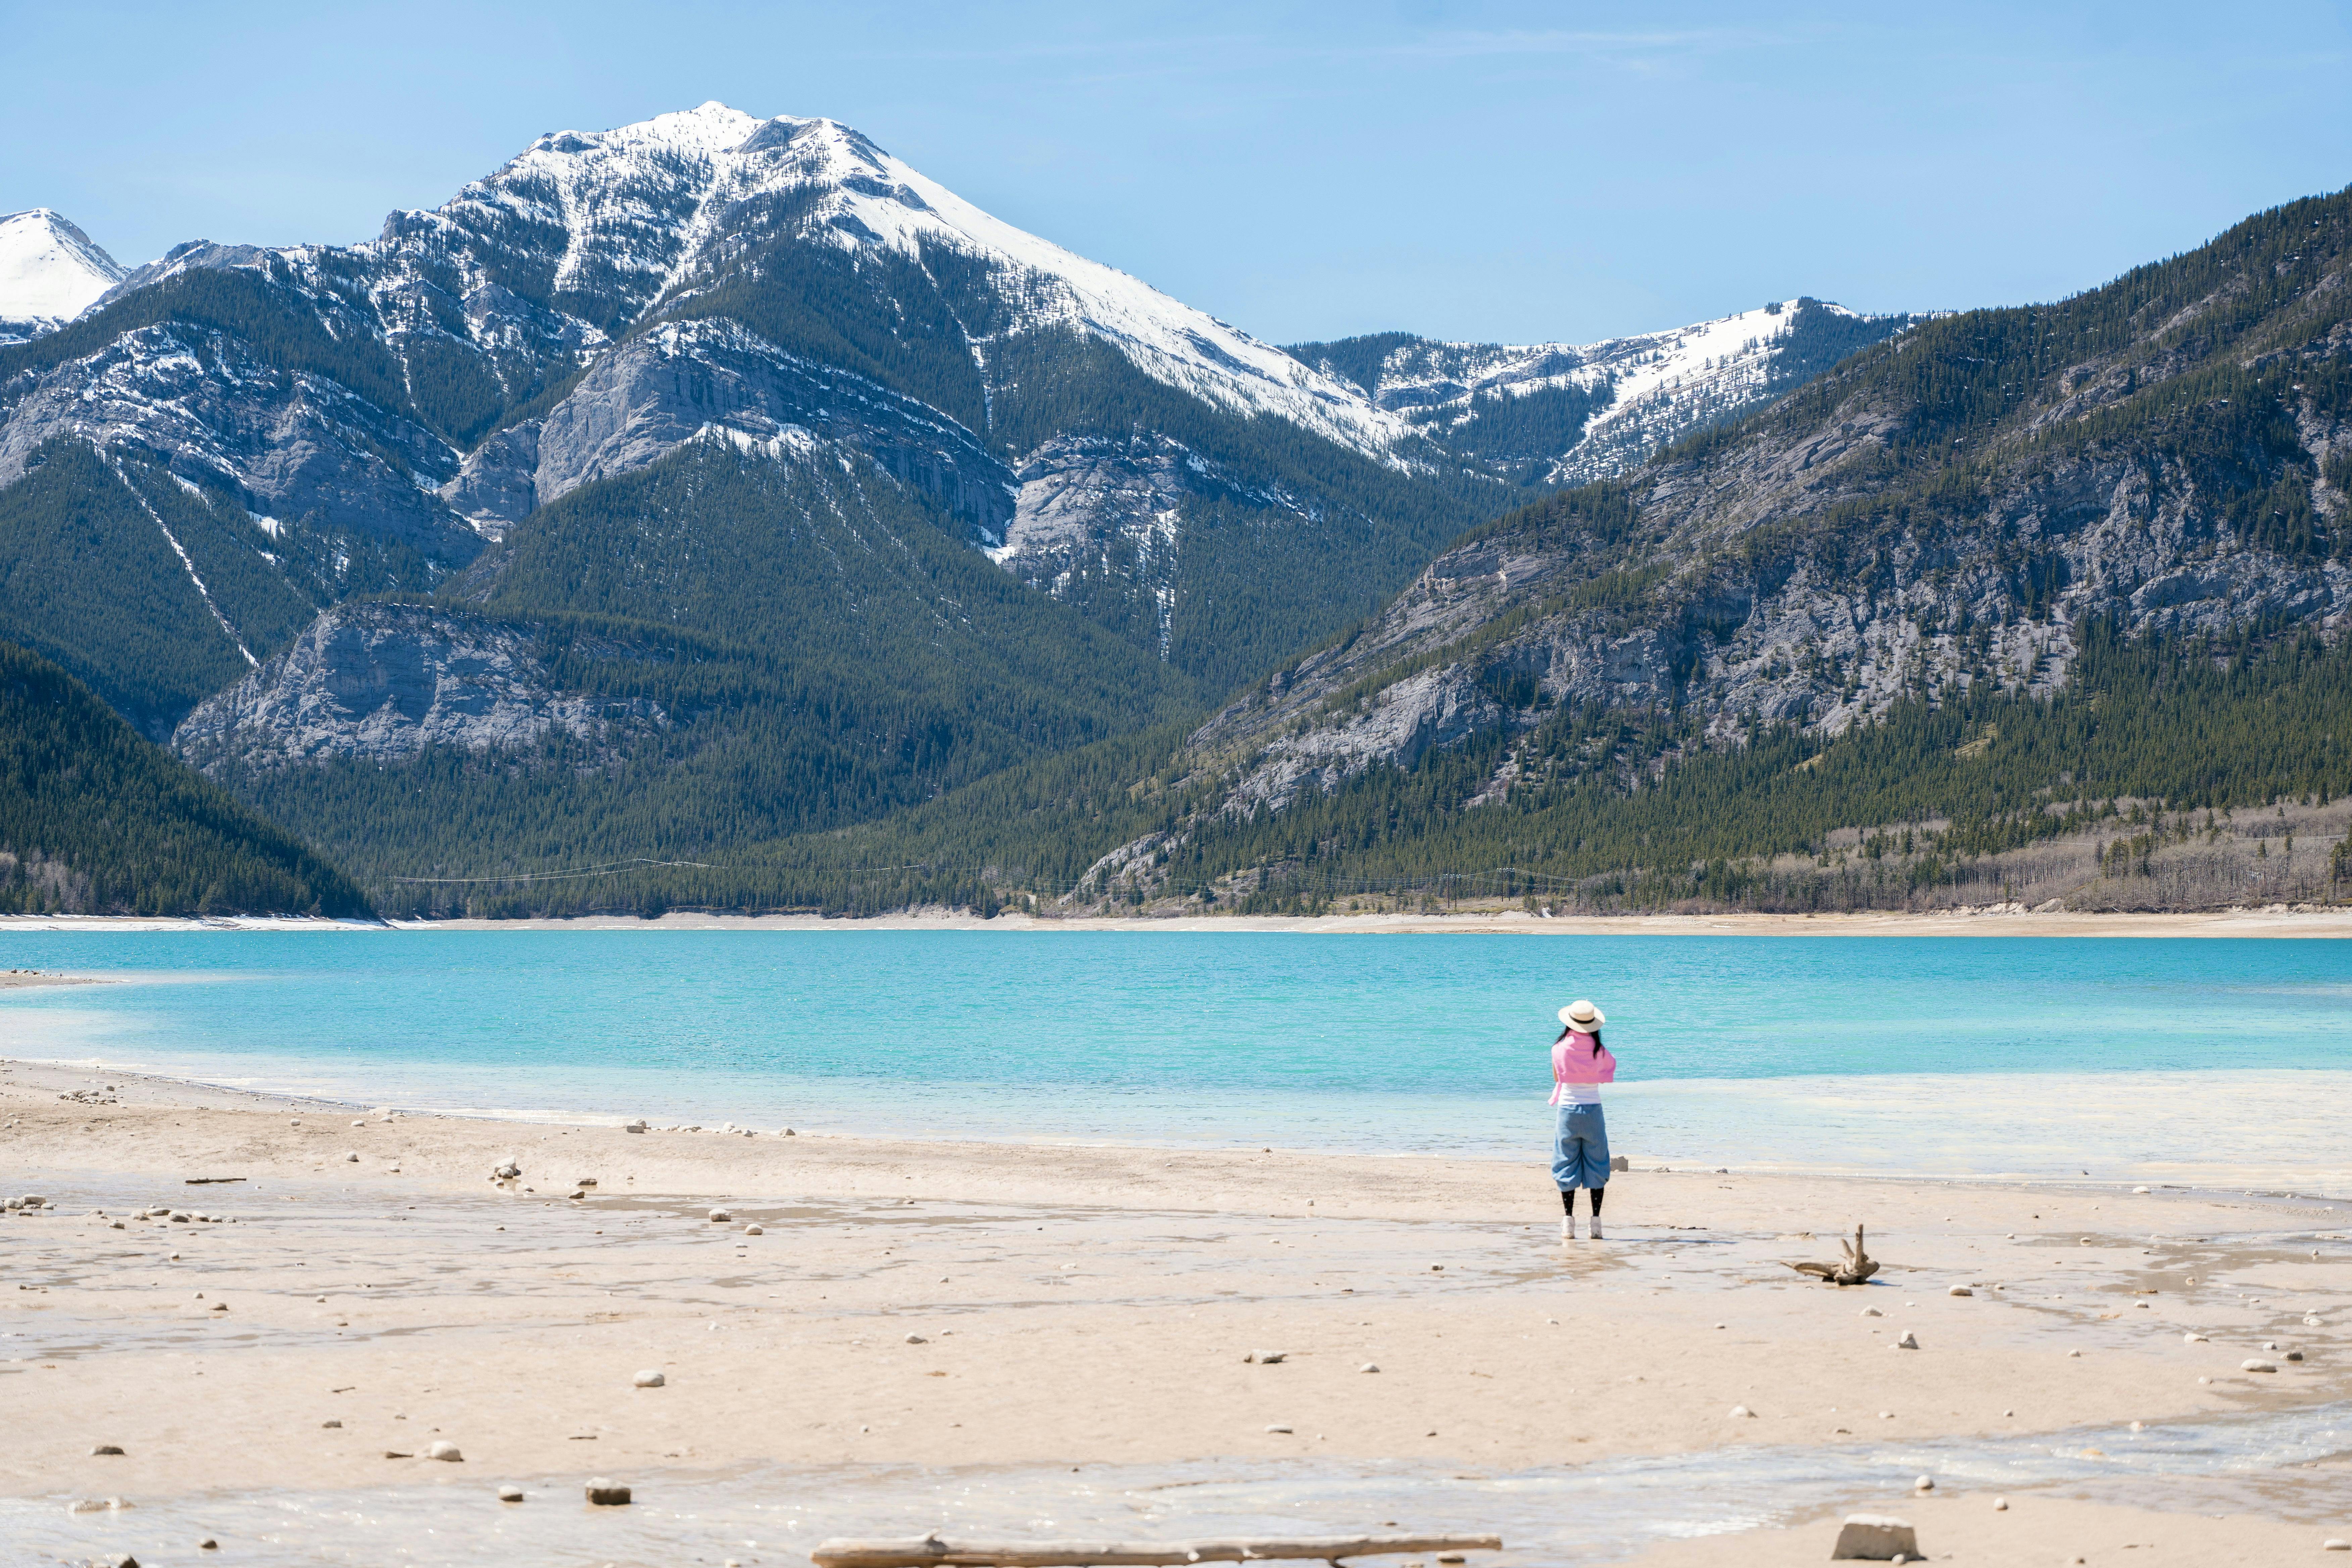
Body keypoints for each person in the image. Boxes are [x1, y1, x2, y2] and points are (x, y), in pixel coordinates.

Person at [1549, 998, 1615, 1241]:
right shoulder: (1600, 1051)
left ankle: (1568, 1223)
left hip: (1567, 1111)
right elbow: (1604, 1075)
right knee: (1597, 1164)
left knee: (1565, 1162)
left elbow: (1558, 1077)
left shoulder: (1558, 1049)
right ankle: (1596, 1224)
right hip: (1593, 1111)